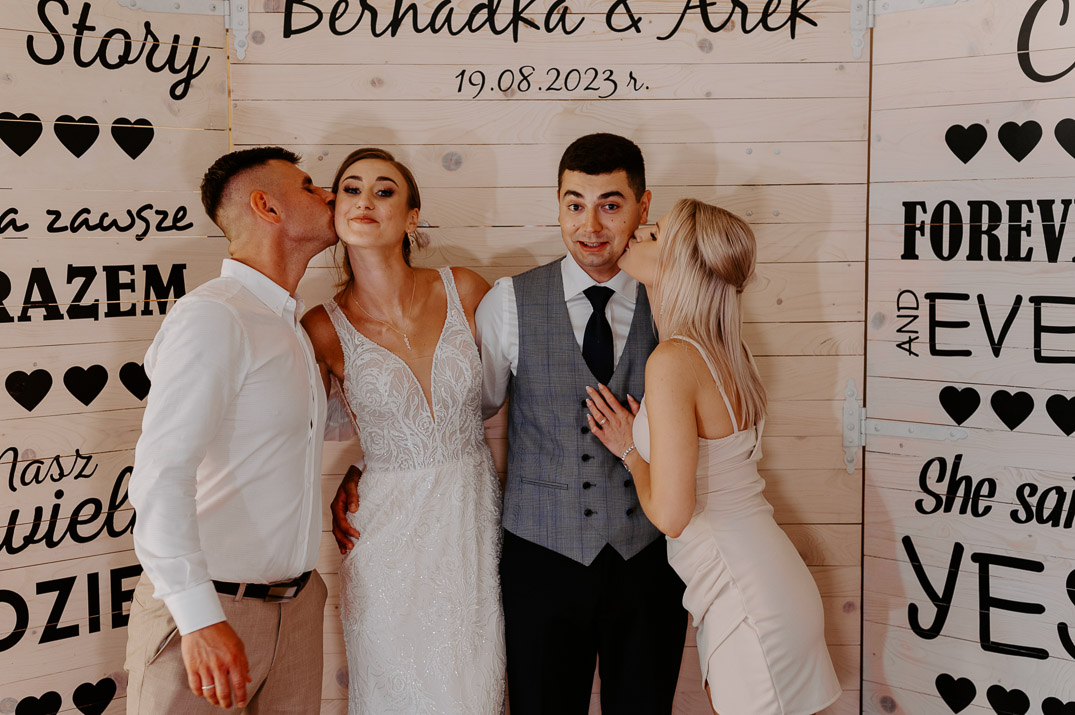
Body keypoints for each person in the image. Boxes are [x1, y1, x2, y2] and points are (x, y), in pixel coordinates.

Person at [585, 199, 842, 714]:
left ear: (680, 263)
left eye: (655, 233)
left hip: (744, 596)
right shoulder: (730, 352)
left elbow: (673, 516)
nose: (637, 233)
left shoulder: (674, 360)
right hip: (765, 584)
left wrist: (631, 450)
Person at [478, 133, 687, 714]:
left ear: (643, 207)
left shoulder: (675, 303)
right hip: (540, 557)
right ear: (559, 204)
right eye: (575, 204)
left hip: (650, 557)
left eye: (610, 205)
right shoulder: (508, 302)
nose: (589, 225)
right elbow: (476, 409)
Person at [125, 146, 336, 713]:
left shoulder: (290, 325)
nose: (329, 195)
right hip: (210, 613)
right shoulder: (215, 315)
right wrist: (198, 618)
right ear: (267, 206)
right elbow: (161, 475)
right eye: (310, 186)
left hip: (297, 610)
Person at [304, 147, 505, 713]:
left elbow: (516, 396)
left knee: (471, 689)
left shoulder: (466, 289)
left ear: (412, 217)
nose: (364, 200)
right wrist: (357, 471)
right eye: (351, 189)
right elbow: (299, 434)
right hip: (384, 537)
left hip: (469, 520)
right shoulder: (321, 327)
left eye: (384, 190)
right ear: (335, 212)